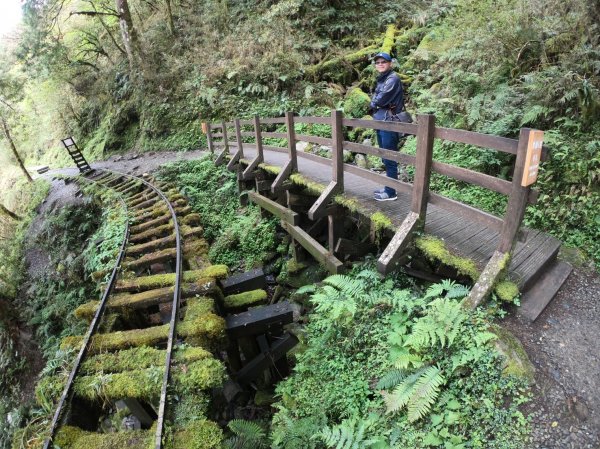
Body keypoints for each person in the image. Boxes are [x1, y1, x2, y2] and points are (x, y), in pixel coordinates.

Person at [369, 52, 404, 201]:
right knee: (384, 156)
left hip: (389, 122)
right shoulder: (382, 79)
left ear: (390, 63)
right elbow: (377, 98)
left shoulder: (393, 78)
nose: (380, 64)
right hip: (381, 120)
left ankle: (391, 192)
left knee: (389, 156)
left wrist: (374, 103)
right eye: (378, 62)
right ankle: (389, 187)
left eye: (384, 62)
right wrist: (375, 102)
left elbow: (381, 99)